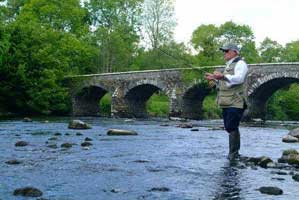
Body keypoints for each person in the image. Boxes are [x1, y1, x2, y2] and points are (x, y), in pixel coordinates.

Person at [205, 43, 248, 160]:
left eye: (226, 51)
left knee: (231, 126)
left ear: (235, 52)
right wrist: (214, 79)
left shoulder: (241, 64)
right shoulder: (228, 65)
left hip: (236, 101)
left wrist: (222, 77)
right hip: (226, 101)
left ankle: (234, 154)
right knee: (229, 127)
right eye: (224, 51)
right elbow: (227, 83)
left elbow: (239, 79)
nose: (224, 53)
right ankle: (233, 154)